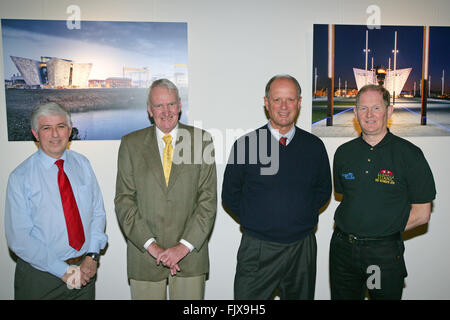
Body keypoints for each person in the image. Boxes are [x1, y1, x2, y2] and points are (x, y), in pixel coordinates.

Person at [222, 74, 332, 299]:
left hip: (302, 248)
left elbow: (323, 191)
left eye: (290, 100)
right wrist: (258, 221)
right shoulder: (246, 145)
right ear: (266, 102)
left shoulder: (314, 147)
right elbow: (230, 195)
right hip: (257, 248)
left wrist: (299, 217)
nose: (284, 106)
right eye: (277, 100)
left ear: (299, 103)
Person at [330, 84, 436, 300]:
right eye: (363, 108)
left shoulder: (409, 155)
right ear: (355, 112)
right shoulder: (343, 154)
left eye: (376, 108)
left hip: (380, 256)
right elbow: (345, 196)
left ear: (389, 111)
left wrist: (382, 234)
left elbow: (422, 213)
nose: (369, 115)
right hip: (343, 253)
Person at [114, 79, 217, 300]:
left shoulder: (201, 141)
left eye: (171, 104)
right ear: (150, 110)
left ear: (180, 106)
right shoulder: (130, 144)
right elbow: (124, 201)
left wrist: (182, 248)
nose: (166, 111)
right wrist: (154, 248)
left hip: (190, 257)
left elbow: (207, 201)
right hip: (145, 258)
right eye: (159, 106)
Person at [5, 102, 108, 300]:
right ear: (35, 133)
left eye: (60, 126)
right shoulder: (20, 177)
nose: (55, 134)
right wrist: (64, 271)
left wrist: (92, 256)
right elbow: (19, 239)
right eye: (46, 128)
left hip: (85, 271)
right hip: (41, 278)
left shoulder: (83, 164)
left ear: (69, 130)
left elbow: (98, 213)